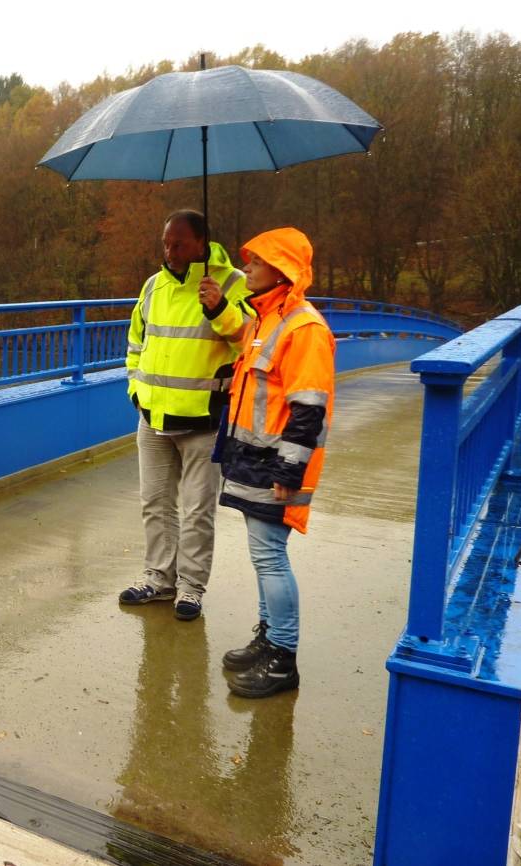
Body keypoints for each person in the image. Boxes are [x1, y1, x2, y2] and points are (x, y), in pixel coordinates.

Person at [209, 227, 335, 698]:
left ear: (280, 271)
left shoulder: (304, 328)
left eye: (255, 263)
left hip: (277, 465)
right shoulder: (266, 319)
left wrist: (289, 471)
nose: (246, 270)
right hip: (253, 459)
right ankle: (269, 639)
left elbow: (308, 409)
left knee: (269, 556)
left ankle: (284, 659)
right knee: (263, 557)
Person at [118, 210, 250, 621]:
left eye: (178, 244)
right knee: (155, 502)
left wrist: (221, 309)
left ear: (201, 243)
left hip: (202, 419)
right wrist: (135, 389)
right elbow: (137, 342)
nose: (169, 251)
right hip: (153, 417)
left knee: (197, 510)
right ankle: (159, 578)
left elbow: (251, 339)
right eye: (166, 243)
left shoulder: (232, 284)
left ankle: (191, 587)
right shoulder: (153, 286)